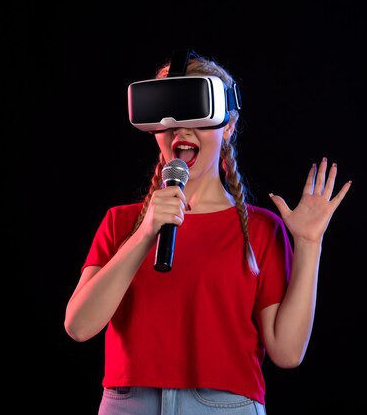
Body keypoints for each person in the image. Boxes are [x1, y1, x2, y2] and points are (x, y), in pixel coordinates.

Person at [64, 51, 352, 415]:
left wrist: (309, 244)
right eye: (168, 117)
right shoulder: (121, 223)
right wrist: (145, 232)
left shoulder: (260, 231)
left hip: (224, 405)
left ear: (228, 126)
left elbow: (287, 352)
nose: (180, 131)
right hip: (127, 404)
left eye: (195, 114)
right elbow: (79, 325)